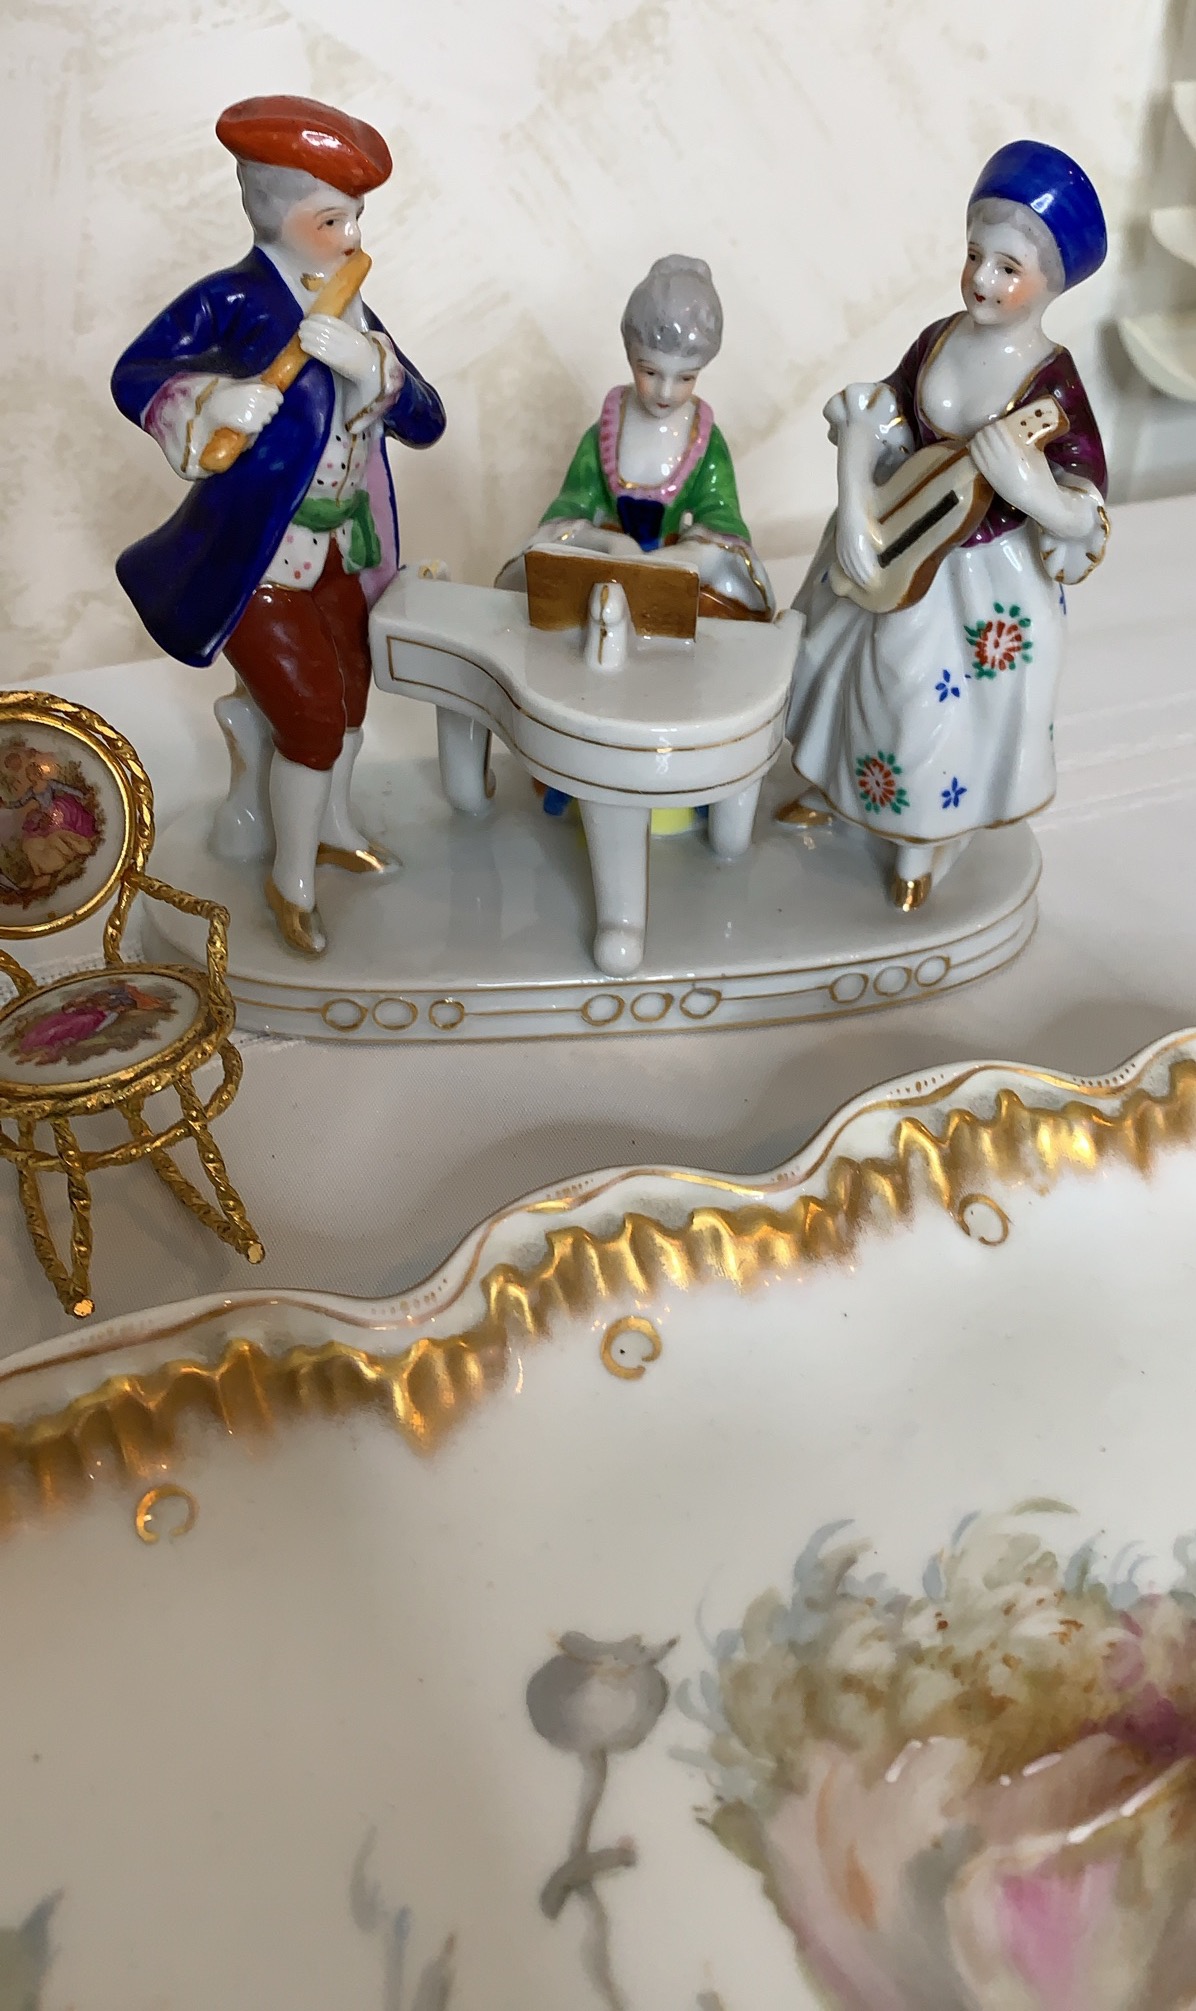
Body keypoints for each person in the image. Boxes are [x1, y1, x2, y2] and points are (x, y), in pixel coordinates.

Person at [112, 95, 446, 955]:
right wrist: (214, 399)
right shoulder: (232, 298)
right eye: (331, 218)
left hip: (346, 551)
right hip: (260, 563)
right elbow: (136, 372)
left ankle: (330, 827)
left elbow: (427, 418)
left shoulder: (354, 304)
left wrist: (374, 368)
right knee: (310, 719)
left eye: (357, 215)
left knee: (352, 699)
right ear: (272, 210)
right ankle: (290, 880)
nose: (352, 234)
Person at [783, 141, 1108, 909]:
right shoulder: (939, 338)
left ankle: (920, 839)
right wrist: (860, 478)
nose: (982, 280)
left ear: (1053, 281)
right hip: (894, 535)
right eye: (974, 255)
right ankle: (836, 787)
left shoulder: (1053, 383)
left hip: (982, 577)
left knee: (918, 702)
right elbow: (887, 412)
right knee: (831, 661)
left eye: (1008, 267)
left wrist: (1030, 487)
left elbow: (1085, 508)